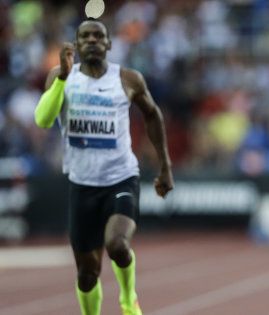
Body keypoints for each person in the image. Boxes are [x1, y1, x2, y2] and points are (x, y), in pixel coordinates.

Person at [34, 19, 174, 315]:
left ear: (109, 44)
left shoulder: (127, 79)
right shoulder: (60, 77)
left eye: (99, 36)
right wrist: (61, 79)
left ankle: (127, 298)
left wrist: (165, 166)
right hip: (82, 185)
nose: (93, 40)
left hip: (121, 178)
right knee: (87, 273)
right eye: (85, 36)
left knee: (117, 244)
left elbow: (153, 115)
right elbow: (44, 120)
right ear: (76, 44)